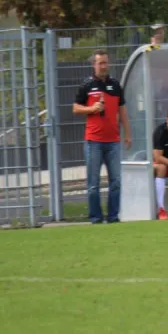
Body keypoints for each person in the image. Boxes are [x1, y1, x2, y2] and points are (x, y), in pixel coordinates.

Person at [73, 49, 132, 224]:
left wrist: (128, 134)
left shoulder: (115, 85)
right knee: (93, 184)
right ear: (94, 65)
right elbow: (75, 108)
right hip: (94, 141)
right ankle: (96, 218)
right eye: (100, 63)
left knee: (116, 182)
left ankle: (113, 216)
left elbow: (122, 111)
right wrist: (92, 109)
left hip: (113, 140)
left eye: (106, 62)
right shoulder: (87, 85)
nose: (104, 66)